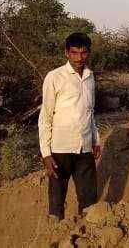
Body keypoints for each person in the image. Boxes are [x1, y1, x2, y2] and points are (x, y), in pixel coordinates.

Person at [38, 32, 102, 220]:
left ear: (88, 53)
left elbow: (90, 112)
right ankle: (55, 235)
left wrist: (96, 139)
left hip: (84, 147)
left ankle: (87, 234)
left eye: (83, 53)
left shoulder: (90, 77)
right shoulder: (55, 77)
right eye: (74, 53)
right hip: (60, 148)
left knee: (89, 198)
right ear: (66, 53)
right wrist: (46, 153)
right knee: (57, 200)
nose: (78, 58)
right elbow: (46, 116)